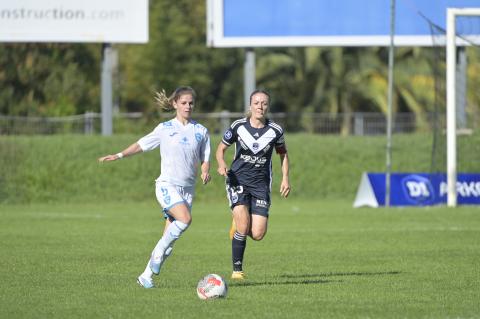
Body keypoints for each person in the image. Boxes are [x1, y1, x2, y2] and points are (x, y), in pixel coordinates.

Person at [98, 86, 211, 288]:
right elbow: (142, 144)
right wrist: (119, 155)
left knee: (169, 241)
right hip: (167, 185)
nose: (188, 106)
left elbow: (205, 157)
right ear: (175, 103)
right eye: (183, 102)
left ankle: (145, 276)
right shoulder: (164, 129)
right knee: (185, 219)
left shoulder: (201, 131)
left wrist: (204, 171)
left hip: (188, 189)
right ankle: (156, 254)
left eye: (191, 103)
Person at [215, 89, 290, 280]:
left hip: (261, 185)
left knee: (257, 234)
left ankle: (239, 223)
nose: (260, 106)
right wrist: (221, 163)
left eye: (264, 103)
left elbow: (283, 154)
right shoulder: (238, 126)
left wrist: (285, 178)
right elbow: (221, 148)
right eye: (256, 103)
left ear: (268, 106)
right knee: (242, 227)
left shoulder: (275, 130)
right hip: (237, 180)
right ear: (250, 106)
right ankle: (237, 271)